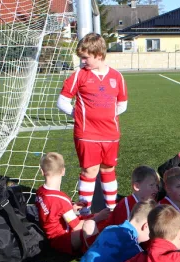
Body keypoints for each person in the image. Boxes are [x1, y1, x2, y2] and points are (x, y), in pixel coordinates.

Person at [57, 32, 128, 212]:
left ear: (98, 55)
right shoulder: (79, 75)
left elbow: (122, 104)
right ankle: (85, 211)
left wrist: (107, 116)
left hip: (111, 134)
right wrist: (79, 115)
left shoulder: (117, 76)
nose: (82, 61)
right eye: (81, 58)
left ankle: (112, 210)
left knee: (108, 171)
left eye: (85, 58)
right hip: (87, 134)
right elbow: (62, 102)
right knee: (89, 172)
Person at [34, 152, 109, 256]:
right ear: (63, 171)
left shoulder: (40, 192)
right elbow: (77, 226)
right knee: (96, 222)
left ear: (42, 171)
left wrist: (71, 209)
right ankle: (92, 254)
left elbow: (54, 212)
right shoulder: (61, 199)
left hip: (52, 236)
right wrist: (98, 217)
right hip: (63, 240)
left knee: (93, 217)